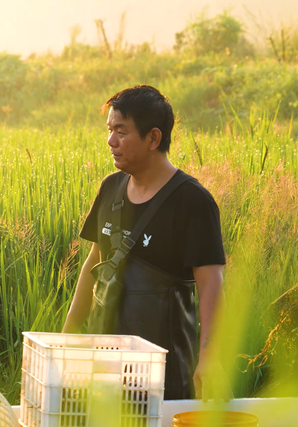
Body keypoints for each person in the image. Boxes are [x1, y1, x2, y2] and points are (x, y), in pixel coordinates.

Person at [62, 85, 231, 401]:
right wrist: (67, 335)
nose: (111, 141)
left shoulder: (192, 202)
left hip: (163, 371)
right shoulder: (111, 188)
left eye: (121, 132)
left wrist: (209, 358)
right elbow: (94, 263)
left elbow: (211, 284)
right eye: (110, 130)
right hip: (106, 365)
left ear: (154, 138)